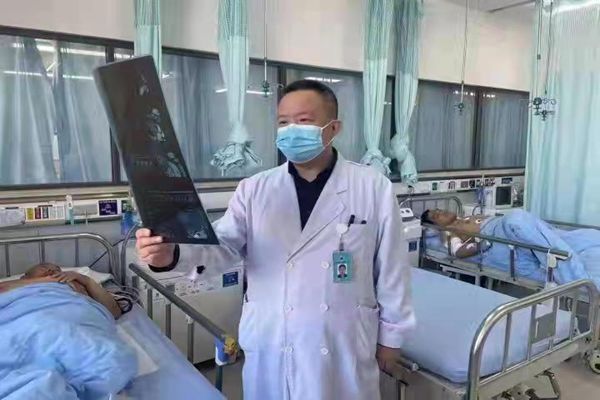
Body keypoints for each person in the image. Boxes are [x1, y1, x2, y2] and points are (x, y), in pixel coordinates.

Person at [136, 79, 415, 400]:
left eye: (304, 120)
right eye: (283, 122)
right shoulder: (255, 188)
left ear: (333, 128)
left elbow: (392, 268)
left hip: (340, 340)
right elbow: (223, 245)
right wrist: (172, 254)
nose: (291, 130)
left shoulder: (372, 187)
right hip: (273, 338)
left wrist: (392, 337)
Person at [0, 263, 122, 319]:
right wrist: (44, 280)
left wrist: (84, 279)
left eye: (57, 270)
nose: (51, 271)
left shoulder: (73, 283)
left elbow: (114, 312)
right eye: (44, 267)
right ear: (24, 277)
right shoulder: (17, 285)